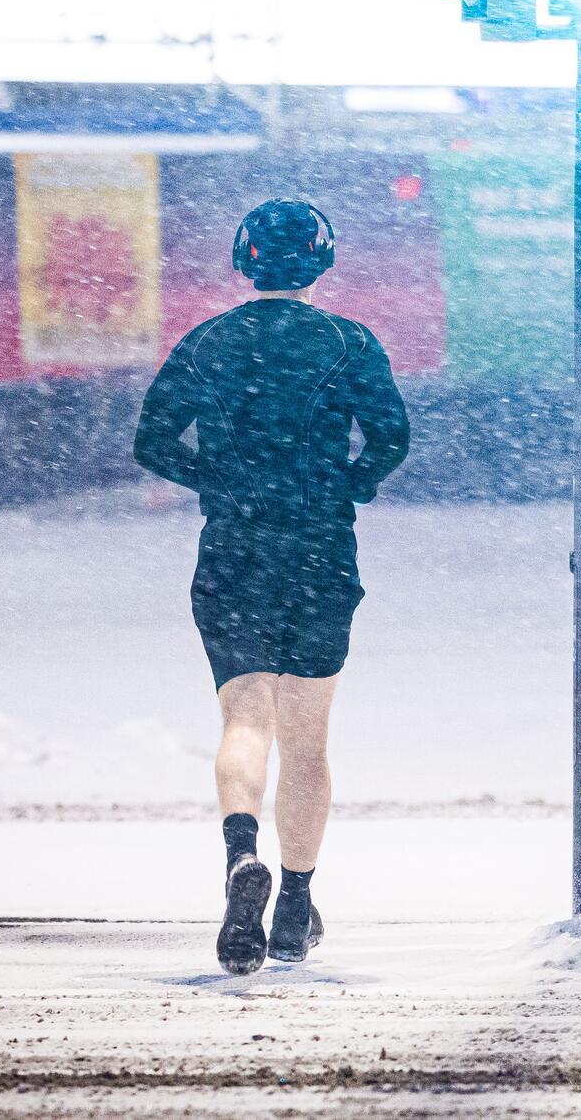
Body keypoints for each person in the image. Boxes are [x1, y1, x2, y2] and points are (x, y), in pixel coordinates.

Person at [133, 198, 409, 975]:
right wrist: (350, 483)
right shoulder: (350, 342)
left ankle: (239, 856)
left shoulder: (207, 343)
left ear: (243, 262)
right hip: (320, 552)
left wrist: (217, 481)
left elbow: (151, 441)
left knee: (245, 719)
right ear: (323, 260)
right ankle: (294, 906)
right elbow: (392, 437)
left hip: (236, 550)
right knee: (308, 741)